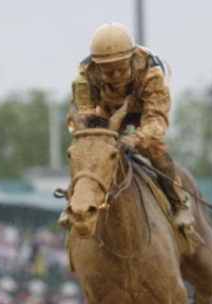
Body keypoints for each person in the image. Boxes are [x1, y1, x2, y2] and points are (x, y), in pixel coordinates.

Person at [61, 23, 195, 235]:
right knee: (85, 149)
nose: (115, 76)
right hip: (105, 111)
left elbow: (157, 121)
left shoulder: (152, 74)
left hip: (143, 111)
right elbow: (84, 116)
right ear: (97, 66)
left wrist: (134, 139)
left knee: (155, 150)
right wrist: (94, 137)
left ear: (132, 59)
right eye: (108, 71)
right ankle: (75, 200)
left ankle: (179, 204)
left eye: (120, 69)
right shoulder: (85, 76)